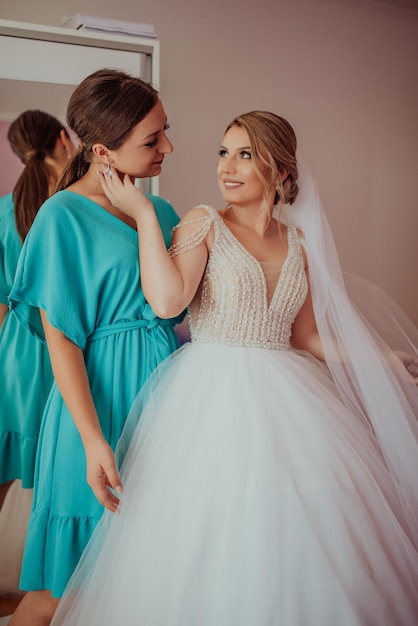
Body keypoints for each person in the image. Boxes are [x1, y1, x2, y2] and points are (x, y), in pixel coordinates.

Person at [51, 111, 418, 626]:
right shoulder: (204, 223)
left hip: (291, 399)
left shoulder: (301, 245)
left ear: (280, 171)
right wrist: (142, 212)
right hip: (211, 395)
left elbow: (307, 336)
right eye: (224, 153)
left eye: (245, 155)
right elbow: (166, 300)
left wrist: (386, 361)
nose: (228, 166)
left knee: (301, 533)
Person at [7, 69, 183, 626]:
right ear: (103, 149)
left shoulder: (163, 213)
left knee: (148, 581)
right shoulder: (60, 218)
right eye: (152, 139)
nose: (168, 148)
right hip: (95, 410)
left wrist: (143, 215)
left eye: (165, 132)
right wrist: (91, 441)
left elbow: (177, 311)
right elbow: (62, 345)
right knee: (58, 592)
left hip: (164, 406)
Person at [0, 109, 76, 510]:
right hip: (69, 348)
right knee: (65, 472)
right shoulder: (76, 209)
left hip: (15, 354)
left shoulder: (0, 213)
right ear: (65, 140)